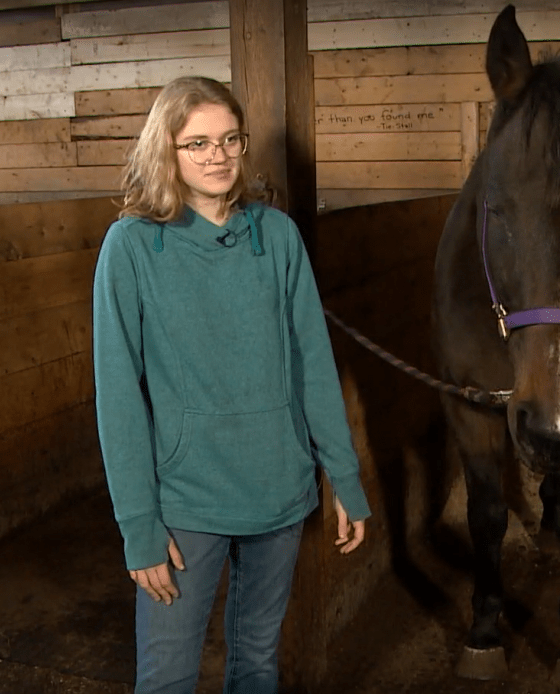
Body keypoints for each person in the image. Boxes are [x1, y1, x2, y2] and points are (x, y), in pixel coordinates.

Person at [92, 75, 371, 694]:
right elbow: (117, 397)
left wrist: (342, 476)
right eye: (196, 143)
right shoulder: (132, 246)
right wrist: (139, 526)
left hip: (278, 490)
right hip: (187, 503)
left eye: (229, 139)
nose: (216, 155)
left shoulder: (276, 237)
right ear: (165, 149)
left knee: (256, 663)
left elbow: (312, 364)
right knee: (166, 676)